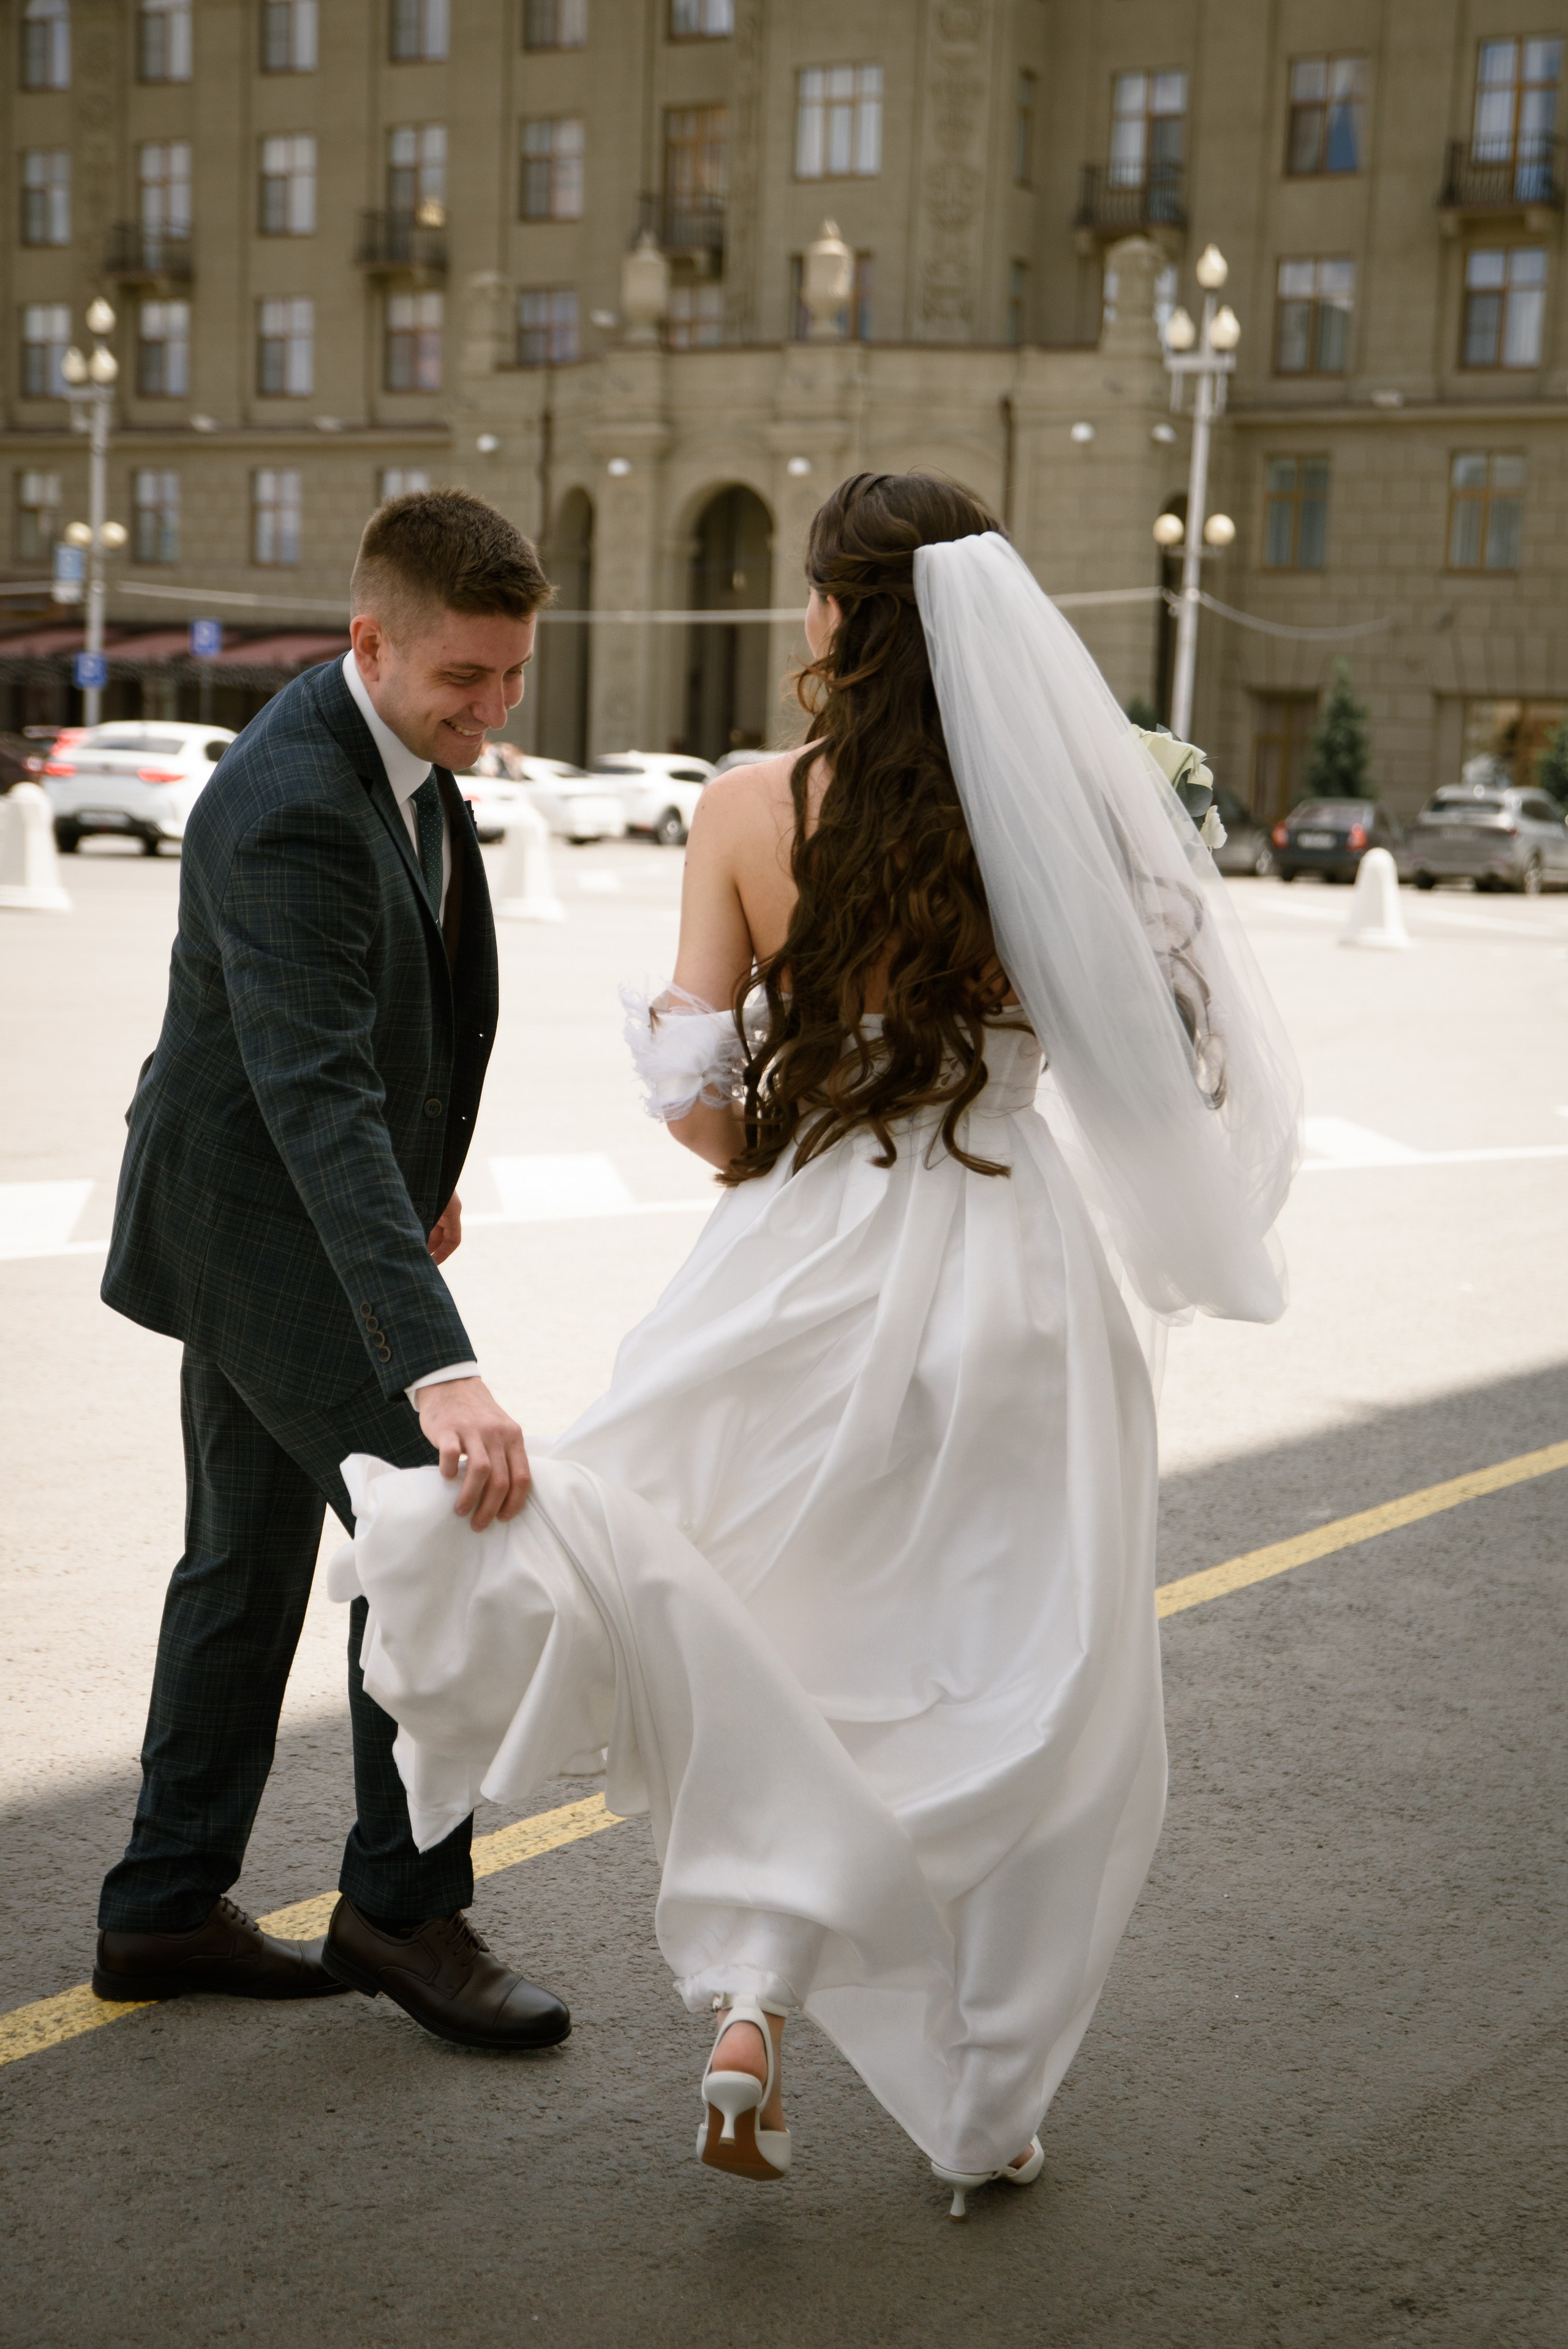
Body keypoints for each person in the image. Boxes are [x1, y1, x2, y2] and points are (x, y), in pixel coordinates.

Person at [331, 472, 1301, 2213]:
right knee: (1016, 1681)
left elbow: (703, 1112)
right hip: (1010, 1268)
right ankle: (982, 2104)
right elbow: (1165, 1063)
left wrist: (818, 1123)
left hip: (803, 1259)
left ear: (840, 621)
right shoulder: (1070, 807)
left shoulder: (750, 806)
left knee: (791, 1640)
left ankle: (758, 1998)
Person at [94, 488, 570, 2053]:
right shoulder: (289, 797)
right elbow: (314, 1092)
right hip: (262, 1226)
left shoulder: (404, 746)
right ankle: (401, 1904)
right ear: (370, 641)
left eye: (513, 675)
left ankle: (164, 1904)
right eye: (465, 681)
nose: (493, 711)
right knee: (435, 1522)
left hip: (284, 1209)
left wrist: (420, 1189)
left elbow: (397, 1015)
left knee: (243, 1562)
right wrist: (440, 1366)